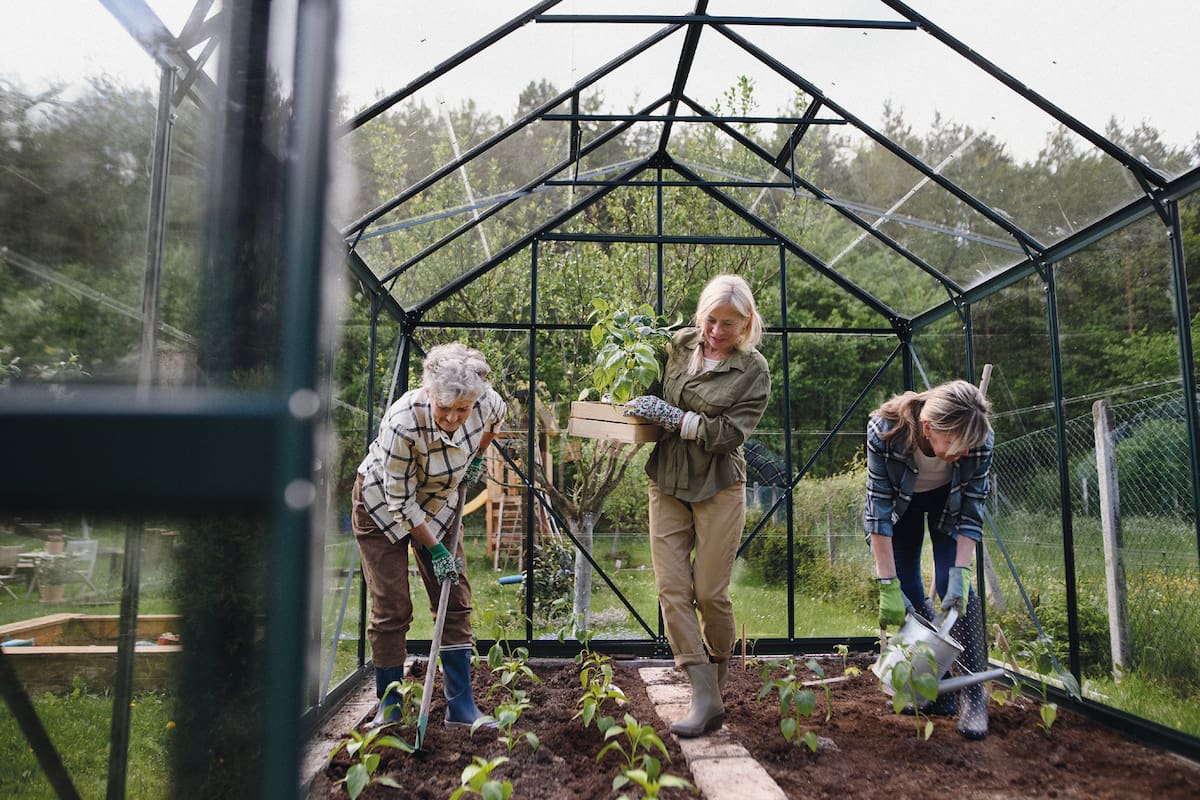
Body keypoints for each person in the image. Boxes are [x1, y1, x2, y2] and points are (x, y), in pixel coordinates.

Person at [623, 274, 770, 738]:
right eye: (711, 319)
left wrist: (674, 416)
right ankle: (702, 690)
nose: (716, 331)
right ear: (700, 315)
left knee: (709, 593)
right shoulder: (675, 346)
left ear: (746, 324)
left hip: (718, 485)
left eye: (729, 323)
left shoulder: (753, 370)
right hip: (666, 479)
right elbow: (643, 386)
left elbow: (728, 435)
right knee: (671, 589)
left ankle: (717, 677)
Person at [351, 342, 505, 727]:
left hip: (440, 504)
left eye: (462, 410)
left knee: (454, 599)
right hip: (383, 506)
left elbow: (493, 423)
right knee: (393, 606)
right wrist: (437, 551)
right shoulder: (403, 422)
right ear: (430, 393)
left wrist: (478, 458)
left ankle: (461, 708)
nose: (453, 418)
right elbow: (401, 503)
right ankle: (390, 706)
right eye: (444, 408)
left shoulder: (486, 402)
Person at [862, 379, 994, 739]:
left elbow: (972, 509)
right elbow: (878, 511)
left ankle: (973, 698)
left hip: (948, 508)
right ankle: (923, 688)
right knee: (907, 590)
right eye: (955, 444)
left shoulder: (977, 438)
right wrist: (887, 584)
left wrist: (961, 571)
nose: (964, 452)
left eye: (970, 445)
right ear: (927, 428)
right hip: (898, 513)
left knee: (959, 600)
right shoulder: (885, 431)